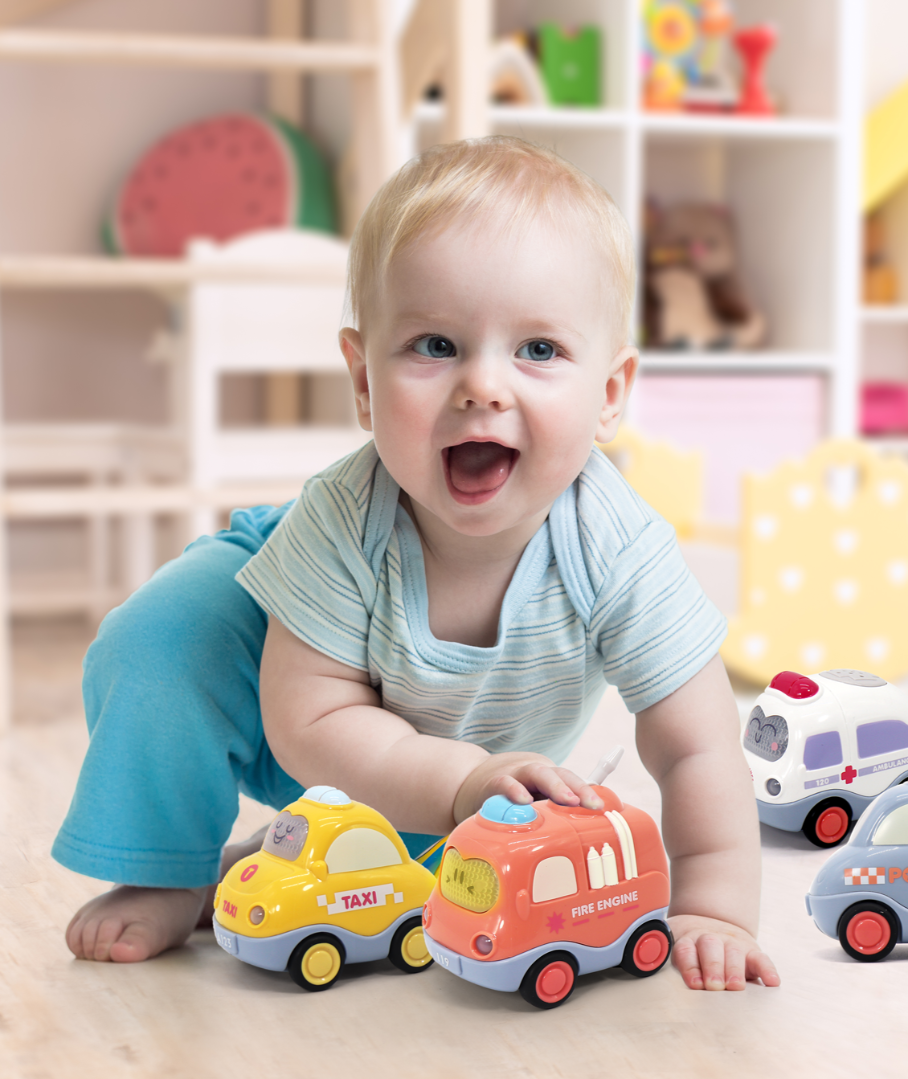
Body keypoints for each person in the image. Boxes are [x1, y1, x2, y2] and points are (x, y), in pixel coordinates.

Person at [56, 136, 779, 993]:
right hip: (307, 679)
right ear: (363, 382)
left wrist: (714, 905)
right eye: (435, 345)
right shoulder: (342, 519)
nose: (483, 385)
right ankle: (168, 867)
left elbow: (697, 746)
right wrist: (456, 779)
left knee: (421, 878)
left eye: (539, 350)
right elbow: (311, 722)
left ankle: (293, 852)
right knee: (162, 639)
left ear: (611, 394)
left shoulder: (616, 546)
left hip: (466, 752)